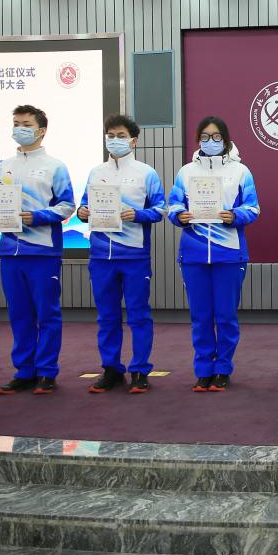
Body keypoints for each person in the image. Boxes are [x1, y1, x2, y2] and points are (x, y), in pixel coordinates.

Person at [0, 105, 75, 395]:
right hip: (10, 251)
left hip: (42, 251)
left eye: (26, 124)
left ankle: (47, 372)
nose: (19, 129)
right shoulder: (3, 167)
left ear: (41, 130)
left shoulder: (55, 166)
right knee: (19, 315)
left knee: (47, 314)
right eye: (16, 124)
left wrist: (36, 217)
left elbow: (67, 206)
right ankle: (24, 371)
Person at [168, 116, 260, 392]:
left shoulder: (241, 171)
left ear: (226, 139)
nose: (210, 141)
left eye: (216, 136)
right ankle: (203, 369)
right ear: (198, 140)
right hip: (193, 254)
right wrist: (179, 215)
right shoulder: (186, 172)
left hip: (229, 254)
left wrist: (234, 215)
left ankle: (223, 369)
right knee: (200, 317)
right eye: (205, 137)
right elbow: (173, 205)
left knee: (225, 316)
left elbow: (253, 208)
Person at [77, 115, 166, 394]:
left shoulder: (146, 173)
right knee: (107, 317)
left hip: (134, 255)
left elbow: (160, 210)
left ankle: (140, 370)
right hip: (100, 255)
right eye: (110, 135)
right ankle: (111, 369)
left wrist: (137, 214)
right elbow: (83, 206)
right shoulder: (96, 172)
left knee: (138, 315)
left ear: (134, 141)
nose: (114, 140)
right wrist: (82, 212)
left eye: (120, 136)